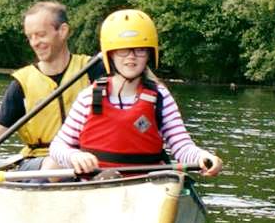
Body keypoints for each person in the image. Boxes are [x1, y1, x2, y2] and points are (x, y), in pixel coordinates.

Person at [45, 9, 223, 178]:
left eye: (140, 50)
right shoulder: (88, 97)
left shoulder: (160, 97)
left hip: (145, 186)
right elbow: (58, 147)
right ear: (111, 55)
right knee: (54, 166)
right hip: (94, 185)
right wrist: (73, 156)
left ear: (149, 54)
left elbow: (182, 146)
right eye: (123, 50)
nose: (131, 57)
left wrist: (203, 157)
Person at [0, 1, 105, 171]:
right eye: (30, 37)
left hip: (87, 157)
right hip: (39, 162)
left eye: (40, 34)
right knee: (57, 164)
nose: (34, 42)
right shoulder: (22, 84)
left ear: (63, 31)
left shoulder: (94, 69)